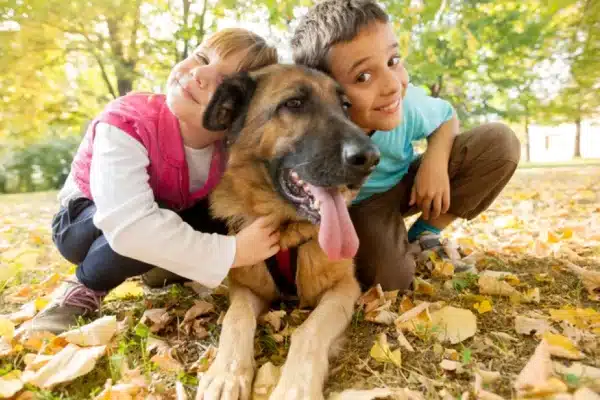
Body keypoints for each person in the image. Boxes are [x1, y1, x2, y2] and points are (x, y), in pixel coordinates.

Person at [23, 28, 280, 334]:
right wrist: (233, 252)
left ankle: (162, 266)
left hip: (158, 213)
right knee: (144, 227)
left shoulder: (227, 152)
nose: (199, 72)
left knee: (216, 213)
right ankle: (81, 289)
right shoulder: (127, 121)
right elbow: (131, 227)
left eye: (226, 84)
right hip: (82, 221)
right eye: (200, 57)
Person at [290, 0, 521, 291]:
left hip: (406, 184)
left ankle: (426, 234)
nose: (392, 85)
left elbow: (446, 116)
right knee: (390, 281)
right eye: (363, 76)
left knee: (499, 143)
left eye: (393, 61)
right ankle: (393, 247)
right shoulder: (312, 132)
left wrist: (435, 164)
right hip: (361, 207)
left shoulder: (404, 105)